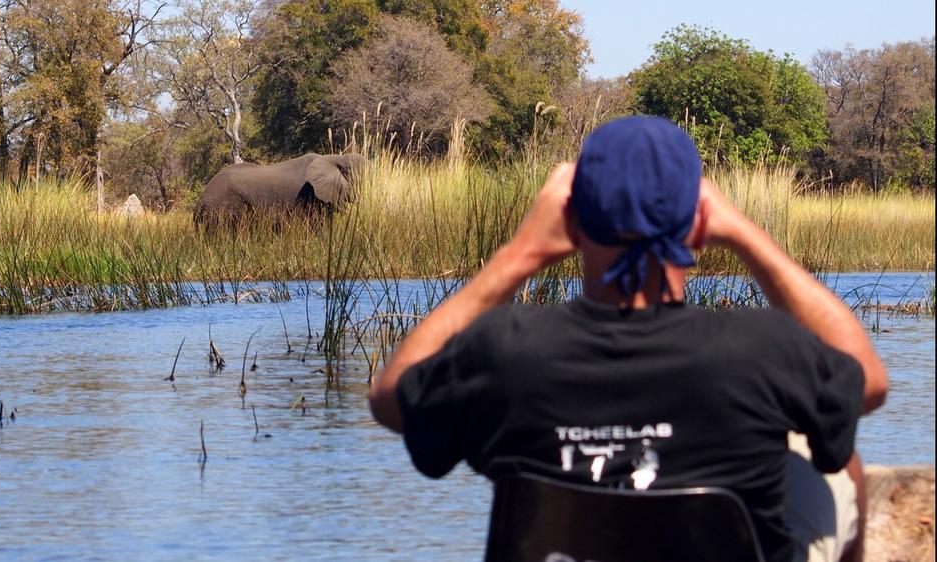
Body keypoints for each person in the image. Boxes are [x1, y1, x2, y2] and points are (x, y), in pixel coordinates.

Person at [368, 116, 887, 562]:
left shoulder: (506, 352)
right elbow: (866, 381)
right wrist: (749, 236)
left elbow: (391, 399)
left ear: (571, 220)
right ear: (699, 225)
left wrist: (520, 252)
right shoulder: (760, 349)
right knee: (839, 460)